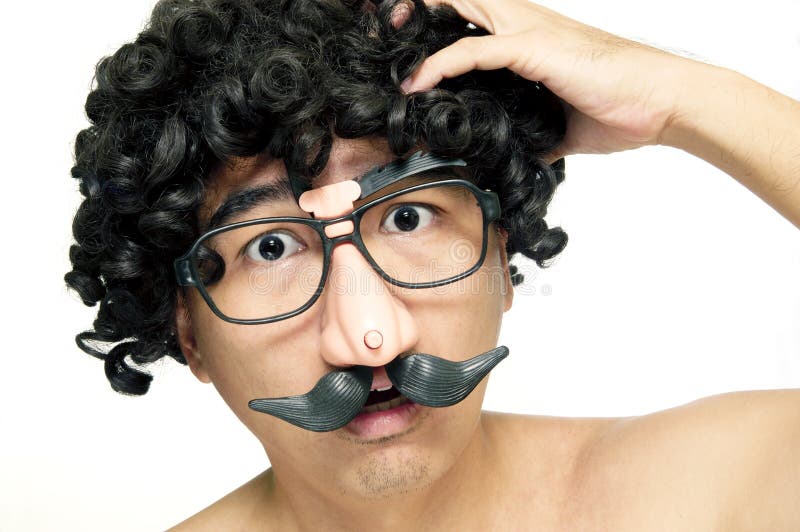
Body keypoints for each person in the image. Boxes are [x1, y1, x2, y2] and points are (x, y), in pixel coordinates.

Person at [63, 0, 800, 529]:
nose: (368, 340)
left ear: (501, 248)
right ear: (187, 331)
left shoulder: (699, 498)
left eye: (409, 217)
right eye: (272, 247)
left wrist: (685, 101)